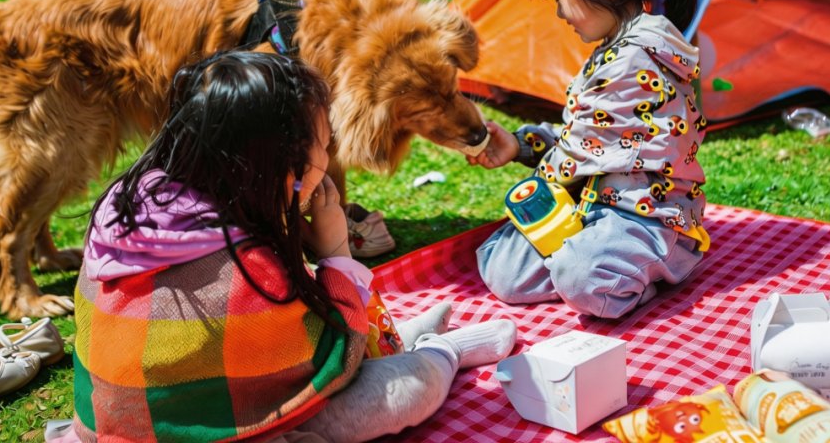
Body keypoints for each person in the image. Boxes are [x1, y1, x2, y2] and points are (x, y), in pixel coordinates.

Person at [51, 51, 515, 443]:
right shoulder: (250, 272)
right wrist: (336, 253)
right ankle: (443, 352)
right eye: (324, 146)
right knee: (405, 388)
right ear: (283, 166)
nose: (329, 159)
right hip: (227, 427)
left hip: (110, 428)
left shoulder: (127, 208)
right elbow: (336, 359)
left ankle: (400, 339)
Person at [469, 0, 711, 320]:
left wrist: (533, 165)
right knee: (501, 267)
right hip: (591, 206)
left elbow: (579, 150)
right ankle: (600, 265)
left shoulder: (637, 58)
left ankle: (655, 266)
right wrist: (521, 145)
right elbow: (586, 137)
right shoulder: (615, 46)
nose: (560, 13)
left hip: (646, 218)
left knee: (581, 277)